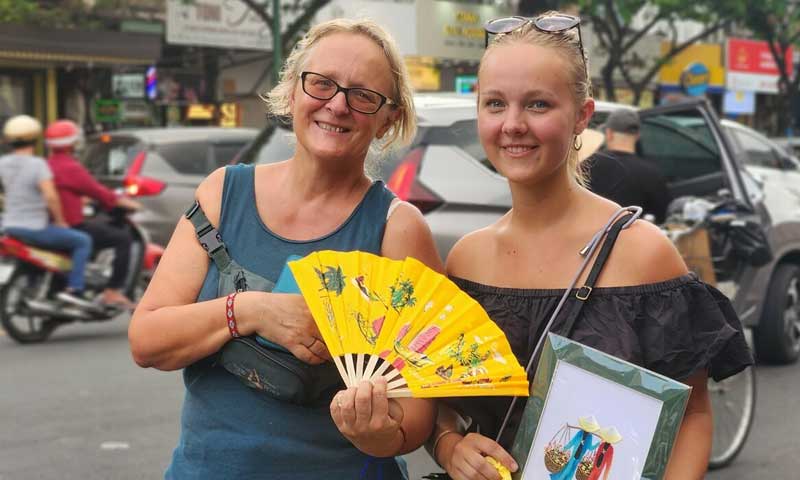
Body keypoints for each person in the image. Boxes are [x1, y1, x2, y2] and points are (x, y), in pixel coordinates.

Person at [429, 12, 752, 480]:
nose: (513, 124)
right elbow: (440, 398)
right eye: (495, 103)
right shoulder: (467, 259)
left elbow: (692, 416)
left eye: (538, 105)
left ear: (582, 115)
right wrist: (448, 446)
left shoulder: (643, 255)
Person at [128, 19, 441, 479]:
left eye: (363, 95)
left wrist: (377, 432)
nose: (337, 105)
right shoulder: (222, 193)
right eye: (321, 84)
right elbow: (147, 340)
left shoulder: (398, 229)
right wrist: (248, 311)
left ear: (387, 118)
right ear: (292, 91)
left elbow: (418, 411)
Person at [44, 119, 141, 308]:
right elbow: (99, 192)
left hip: (51, 224)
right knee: (123, 239)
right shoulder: (70, 167)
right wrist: (128, 204)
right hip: (71, 224)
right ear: (73, 143)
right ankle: (113, 290)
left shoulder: (48, 165)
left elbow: (68, 191)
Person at [0, 115, 94, 308]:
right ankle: (75, 288)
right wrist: (60, 220)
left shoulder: (3, 164)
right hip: (34, 227)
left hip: (9, 226)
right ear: (36, 138)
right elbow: (51, 197)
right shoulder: (38, 164)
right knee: (82, 240)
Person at [585, 108, 671, 223]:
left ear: (609, 133)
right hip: (635, 239)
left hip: (591, 237)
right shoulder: (652, 174)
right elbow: (662, 217)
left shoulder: (587, 164)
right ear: (637, 135)